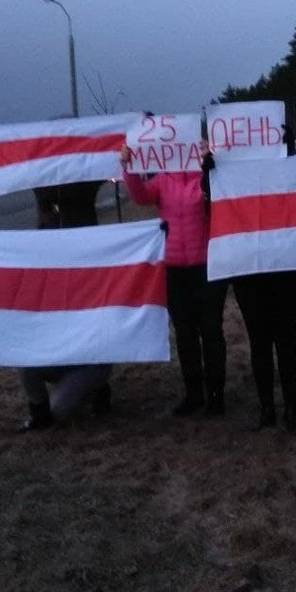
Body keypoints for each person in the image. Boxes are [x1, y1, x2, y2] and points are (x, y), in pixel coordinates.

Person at [120, 143, 228, 416]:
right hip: (174, 269)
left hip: (208, 266)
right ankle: (194, 394)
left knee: (211, 331)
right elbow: (140, 196)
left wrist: (209, 166)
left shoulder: (207, 176)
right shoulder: (163, 180)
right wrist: (128, 167)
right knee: (185, 333)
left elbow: (220, 200)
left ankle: (216, 395)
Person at [17, 180, 113, 433]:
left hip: (85, 258)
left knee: (60, 411)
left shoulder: (84, 179)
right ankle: (39, 411)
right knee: (26, 361)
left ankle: (98, 387)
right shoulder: (42, 182)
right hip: (51, 257)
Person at [229, 127, 296, 434]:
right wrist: (210, 169)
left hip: (286, 268)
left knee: (286, 339)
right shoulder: (233, 171)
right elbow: (213, 199)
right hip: (249, 269)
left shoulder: (292, 165)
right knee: (259, 341)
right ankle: (266, 408)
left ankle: (292, 408)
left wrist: (287, 148)